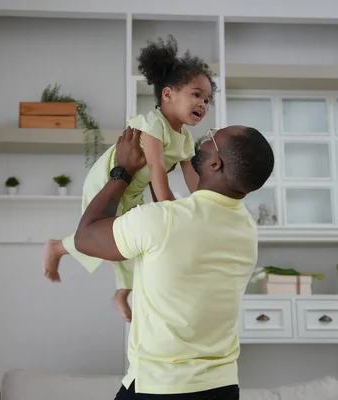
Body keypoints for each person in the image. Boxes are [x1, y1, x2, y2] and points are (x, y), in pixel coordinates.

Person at [72, 126, 274, 400]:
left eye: (213, 137)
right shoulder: (246, 228)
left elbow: (85, 236)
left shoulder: (163, 220)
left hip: (162, 388)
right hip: (222, 388)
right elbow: (203, 200)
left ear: (215, 163)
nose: (205, 136)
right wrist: (175, 157)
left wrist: (122, 171)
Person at [43, 35, 217, 322]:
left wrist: (204, 205)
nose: (203, 104)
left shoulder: (185, 139)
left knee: (130, 244)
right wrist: (170, 207)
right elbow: (157, 169)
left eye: (207, 99)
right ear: (168, 94)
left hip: (132, 191)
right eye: (196, 94)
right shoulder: (151, 124)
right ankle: (57, 247)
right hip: (108, 182)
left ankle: (121, 294)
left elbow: (193, 180)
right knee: (104, 238)